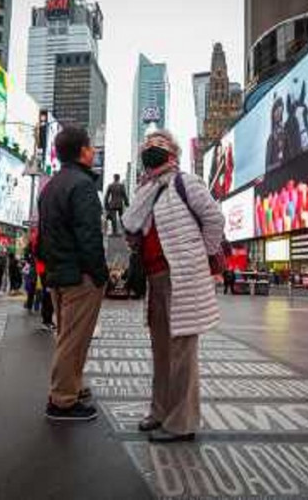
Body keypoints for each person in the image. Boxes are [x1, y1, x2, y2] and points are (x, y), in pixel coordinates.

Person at [123, 129, 225, 443]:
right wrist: (145, 190)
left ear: (173, 154)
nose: (151, 149)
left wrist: (202, 255)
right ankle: (159, 411)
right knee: (161, 350)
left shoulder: (185, 182)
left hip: (182, 277)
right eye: (147, 145)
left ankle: (181, 423)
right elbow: (130, 223)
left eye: (159, 145)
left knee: (182, 352)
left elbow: (215, 220)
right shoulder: (147, 189)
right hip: (155, 280)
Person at [38, 126, 108, 422]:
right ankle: (62, 401)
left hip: (58, 274)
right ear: (82, 151)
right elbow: (89, 235)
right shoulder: (82, 185)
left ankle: (73, 386)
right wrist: (100, 274)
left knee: (70, 337)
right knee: (73, 339)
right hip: (80, 276)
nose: (94, 152)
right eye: (91, 147)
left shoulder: (51, 186)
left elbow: (43, 236)